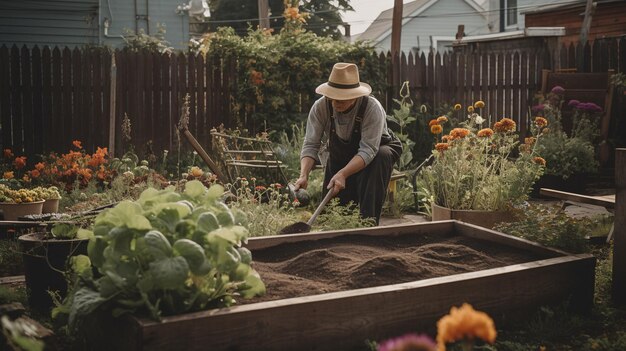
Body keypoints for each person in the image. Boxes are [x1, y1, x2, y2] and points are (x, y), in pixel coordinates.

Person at [294, 62, 402, 225]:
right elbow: (311, 144)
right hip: (342, 150)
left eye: (342, 98)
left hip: (376, 149)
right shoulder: (321, 107)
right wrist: (304, 175)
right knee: (330, 212)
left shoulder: (372, 108)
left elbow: (368, 150)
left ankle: (368, 228)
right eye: (333, 97)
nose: (336, 103)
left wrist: (343, 174)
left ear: (355, 95)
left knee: (380, 157)